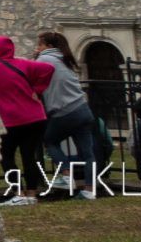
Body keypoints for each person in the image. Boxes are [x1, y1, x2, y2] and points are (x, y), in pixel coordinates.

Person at [0, 36, 53, 204]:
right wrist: (37, 90)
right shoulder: (24, 64)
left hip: (11, 120)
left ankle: (18, 192)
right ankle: (32, 193)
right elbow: (48, 69)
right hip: (35, 117)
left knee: (6, 155)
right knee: (29, 156)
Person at [32, 33, 97, 199]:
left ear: (46, 45)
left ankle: (66, 175)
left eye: (39, 45)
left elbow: (31, 75)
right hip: (82, 108)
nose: (37, 48)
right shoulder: (64, 59)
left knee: (50, 141)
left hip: (65, 111)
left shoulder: (44, 60)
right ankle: (89, 190)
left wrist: (35, 58)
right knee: (88, 153)